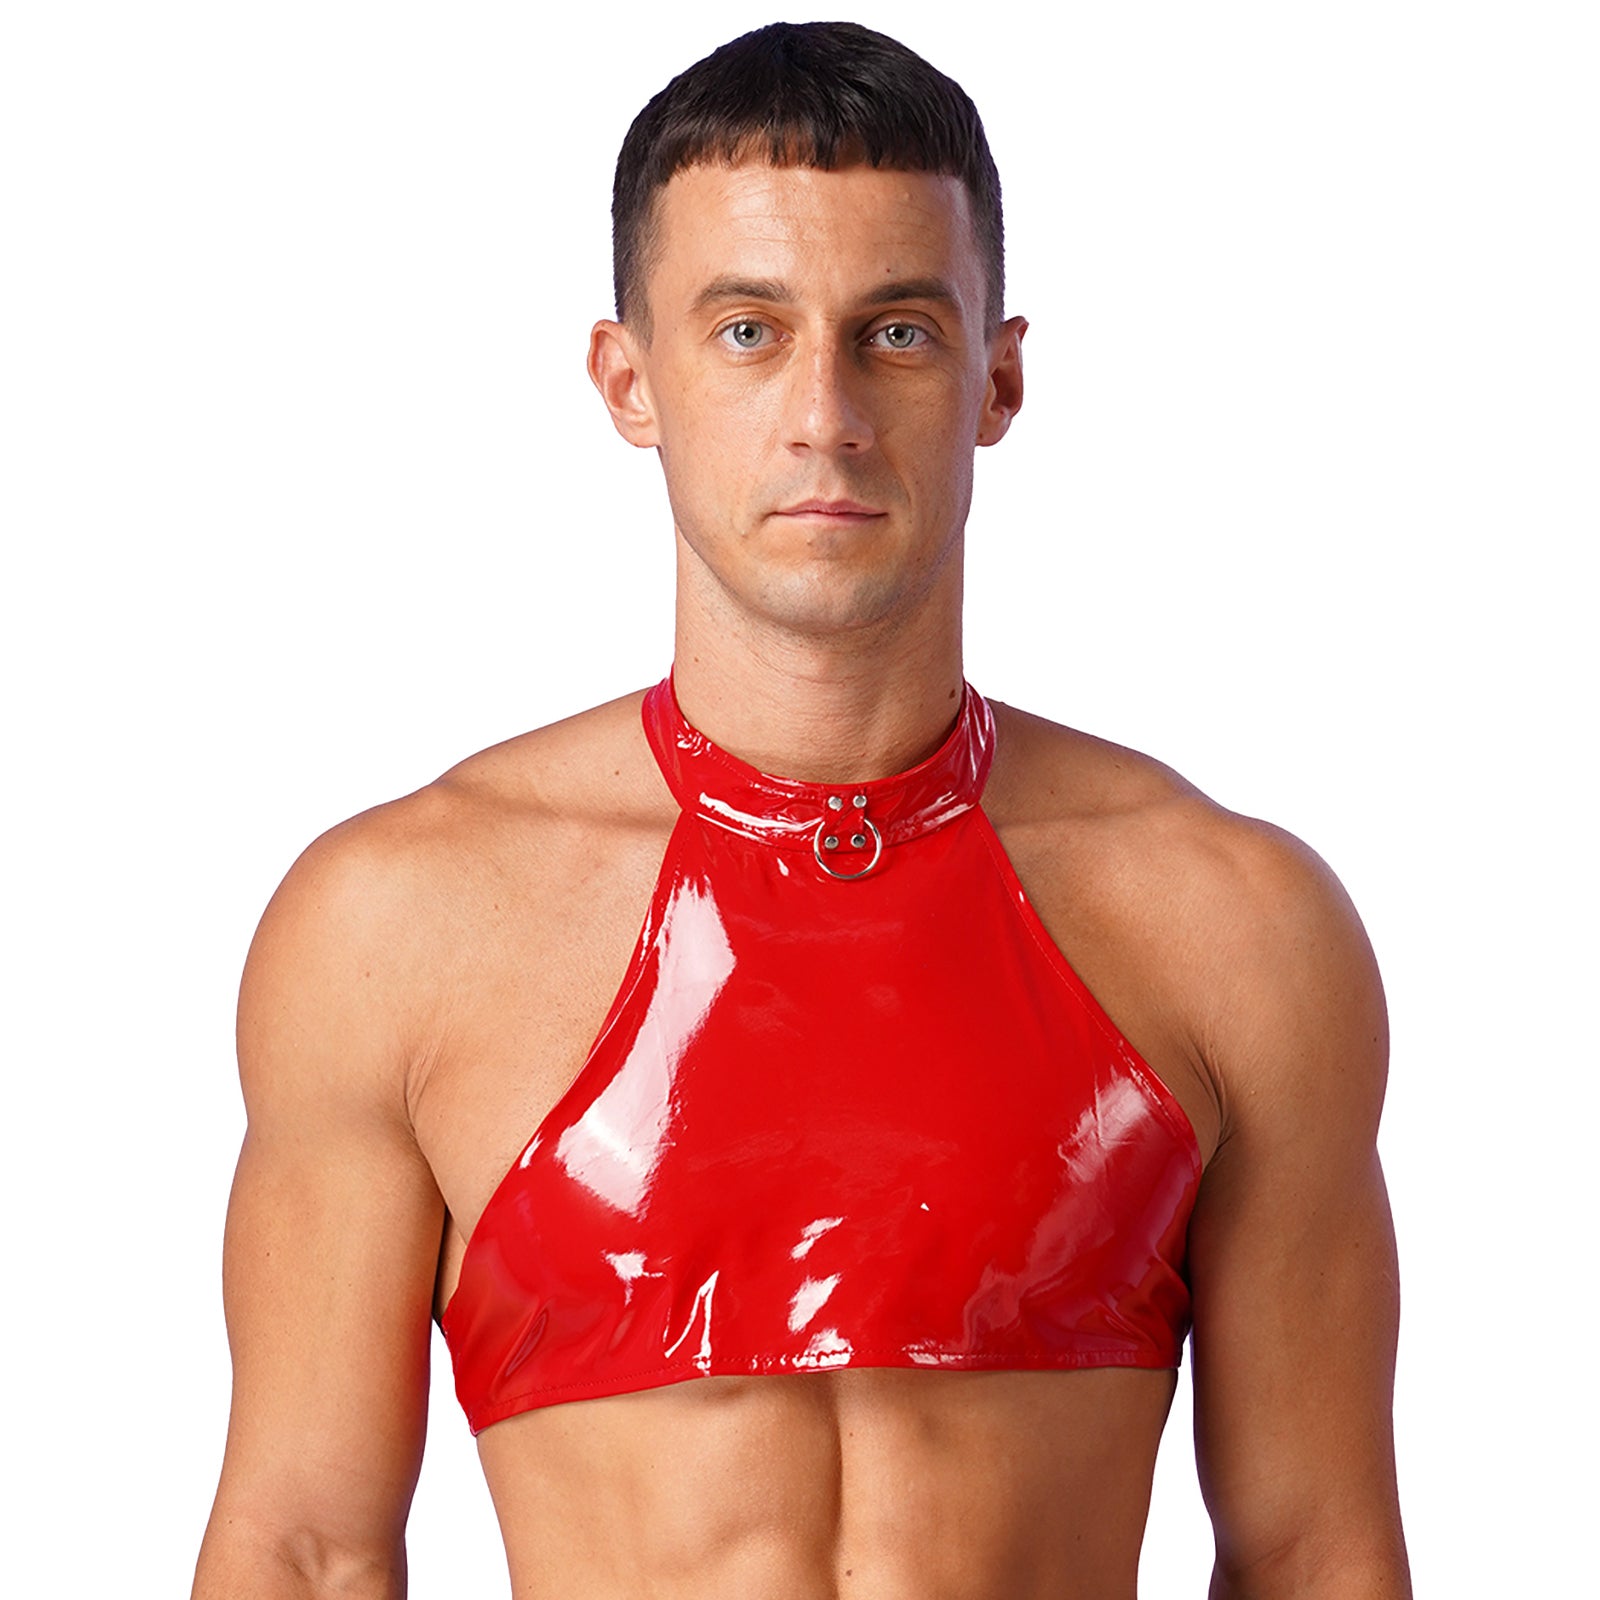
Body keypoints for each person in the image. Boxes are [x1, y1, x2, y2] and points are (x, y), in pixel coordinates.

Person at [192, 21, 1409, 1598]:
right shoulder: (396, 927)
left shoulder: (1233, 926)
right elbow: (305, 1550)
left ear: (998, 378)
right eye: (748, 331)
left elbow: (1316, 1554)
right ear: (630, 380)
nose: (824, 412)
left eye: (896, 332)